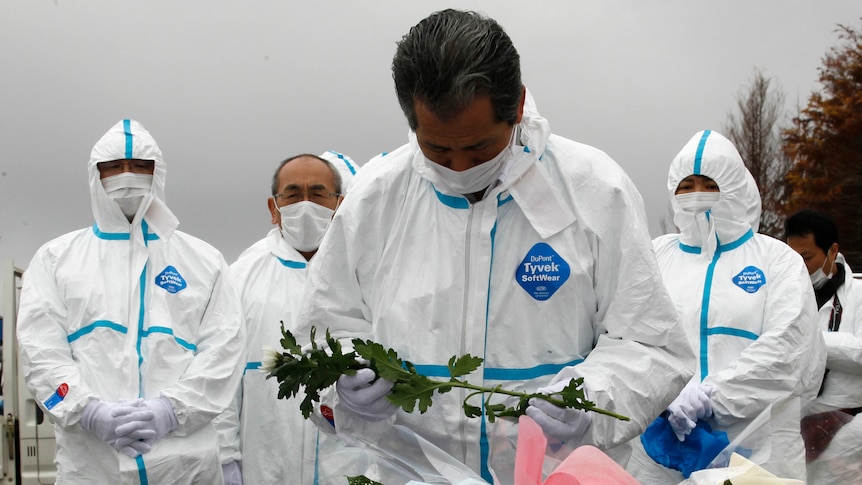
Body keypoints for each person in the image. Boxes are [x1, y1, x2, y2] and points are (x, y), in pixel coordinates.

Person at [295, 9, 695, 481]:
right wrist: (341, 386)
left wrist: (590, 399)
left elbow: (650, 343)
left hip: (555, 475)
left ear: (519, 105)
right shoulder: (376, 199)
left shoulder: (593, 189)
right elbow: (325, 325)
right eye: (438, 150)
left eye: (480, 148)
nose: (460, 167)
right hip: (410, 473)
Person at [16, 119, 244, 484]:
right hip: (91, 466)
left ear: (159, 173)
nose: (127, 176)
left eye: (140, 166)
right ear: (95, 176)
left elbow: (224, 351)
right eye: (114, 168)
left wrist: (170, 411)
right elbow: (41, 352)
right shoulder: (57, 259)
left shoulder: (203, 260)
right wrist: (87, 411)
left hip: (184, 467)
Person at [626, 130, 827, 483]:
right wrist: (664, 393)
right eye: (686, 186)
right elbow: (629, 337)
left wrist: (711, 396)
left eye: (708, 184)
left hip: (759, 447)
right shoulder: (656, 255)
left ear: (735, 185)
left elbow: (790, 348)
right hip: (661, 449)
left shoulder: (776, 260)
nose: (695, 195)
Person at [215, 152, 358, 485]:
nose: (305, 205)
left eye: (319, 193)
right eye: (293, 194)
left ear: (340, 203)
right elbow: (222, 383)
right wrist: (224, 461)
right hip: (265, 468)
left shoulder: (363, 272)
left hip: (350, 469)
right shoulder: (240, 278)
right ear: (273, 208)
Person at [786, 209, 862, 484]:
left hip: (850, 429)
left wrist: (811, 338)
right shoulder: (785, 296)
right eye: (792, 258)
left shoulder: (859, 295)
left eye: (807, 257)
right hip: (793, 428)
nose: (800, 266)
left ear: (832, 250)